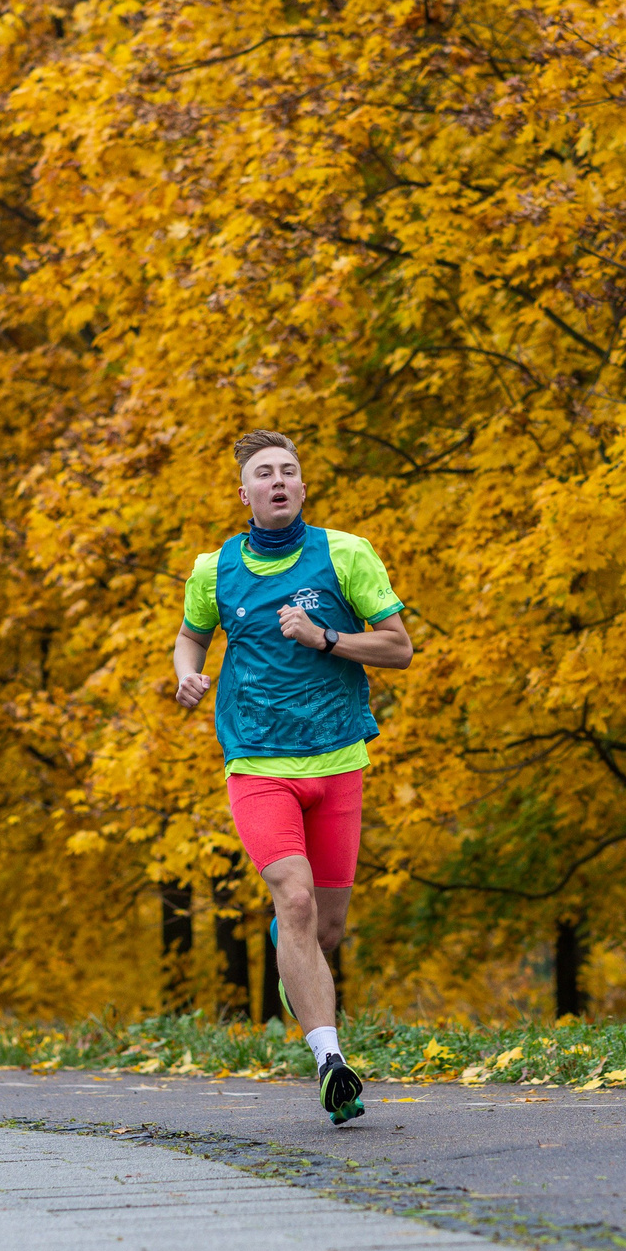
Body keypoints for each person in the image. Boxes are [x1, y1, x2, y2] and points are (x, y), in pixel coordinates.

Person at [172, 431, 414, 1124]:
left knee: (323, 929)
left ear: (303, 488)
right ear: (244, 493)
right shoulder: (213, 569)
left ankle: (291, 953)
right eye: (263, 474)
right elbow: (192, 633)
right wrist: (188, 674)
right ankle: (330, 1062)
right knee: (296, 899)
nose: (277, 482)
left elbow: (398, 648)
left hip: (339, 761)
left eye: (289, 472)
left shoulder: (345, 554)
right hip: (256, 762)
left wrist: (326, 639)